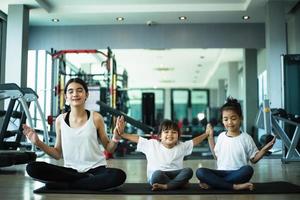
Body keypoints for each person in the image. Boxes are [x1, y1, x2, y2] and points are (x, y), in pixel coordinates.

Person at [22, 77, 126, 190]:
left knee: (118, 176)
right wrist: (38, 142)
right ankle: (84, 181)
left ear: (86, 95)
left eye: (80, 90)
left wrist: (116, 137)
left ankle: (69, 184)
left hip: (97, 170)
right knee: (32, 168)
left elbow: (109, 149)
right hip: (71, 171)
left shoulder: (96, 118)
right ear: (66, 96)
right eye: (70, 91)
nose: (75, 94)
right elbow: (57, 154)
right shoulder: (60, 120)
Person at [196, 97, 276, 191]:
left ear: (240, 118)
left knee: (248, 170)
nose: (229, 122)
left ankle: (215, 184)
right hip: (221, 172)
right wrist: (210, 137)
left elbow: (254, 160)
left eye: (233, 118)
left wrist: (264, 149)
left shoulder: (246, 137)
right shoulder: (221, 136)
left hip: (238, 173)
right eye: (226, 119)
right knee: (200, 172)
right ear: (222, 120)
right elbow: (216, 157)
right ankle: (234, 186)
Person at [115, 117, 211, 191]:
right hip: (157, 177)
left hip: (175, 175)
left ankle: (167, 186)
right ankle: (178, 184)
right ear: (160, 136)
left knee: (188, 171)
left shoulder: (182, 146)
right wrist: (123, 134)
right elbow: (137, 138)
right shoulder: (152, 144)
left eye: (174, 132)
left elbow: (194, 141)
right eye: (166, 132)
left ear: (178, 136)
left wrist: (206, 134)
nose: (170, 134)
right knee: (157, 174)